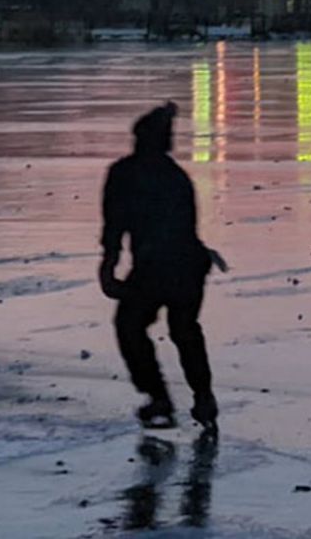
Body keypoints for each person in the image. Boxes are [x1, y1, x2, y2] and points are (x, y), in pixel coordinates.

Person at [99, 101, 219, 431]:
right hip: (185, 265)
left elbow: (114, 224)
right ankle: (201, 398)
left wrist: (109, 265)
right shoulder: (174, 176)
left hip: (162, 266)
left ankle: (160, 396)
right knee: (184, 330)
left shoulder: (126, 173)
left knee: (133, 325)